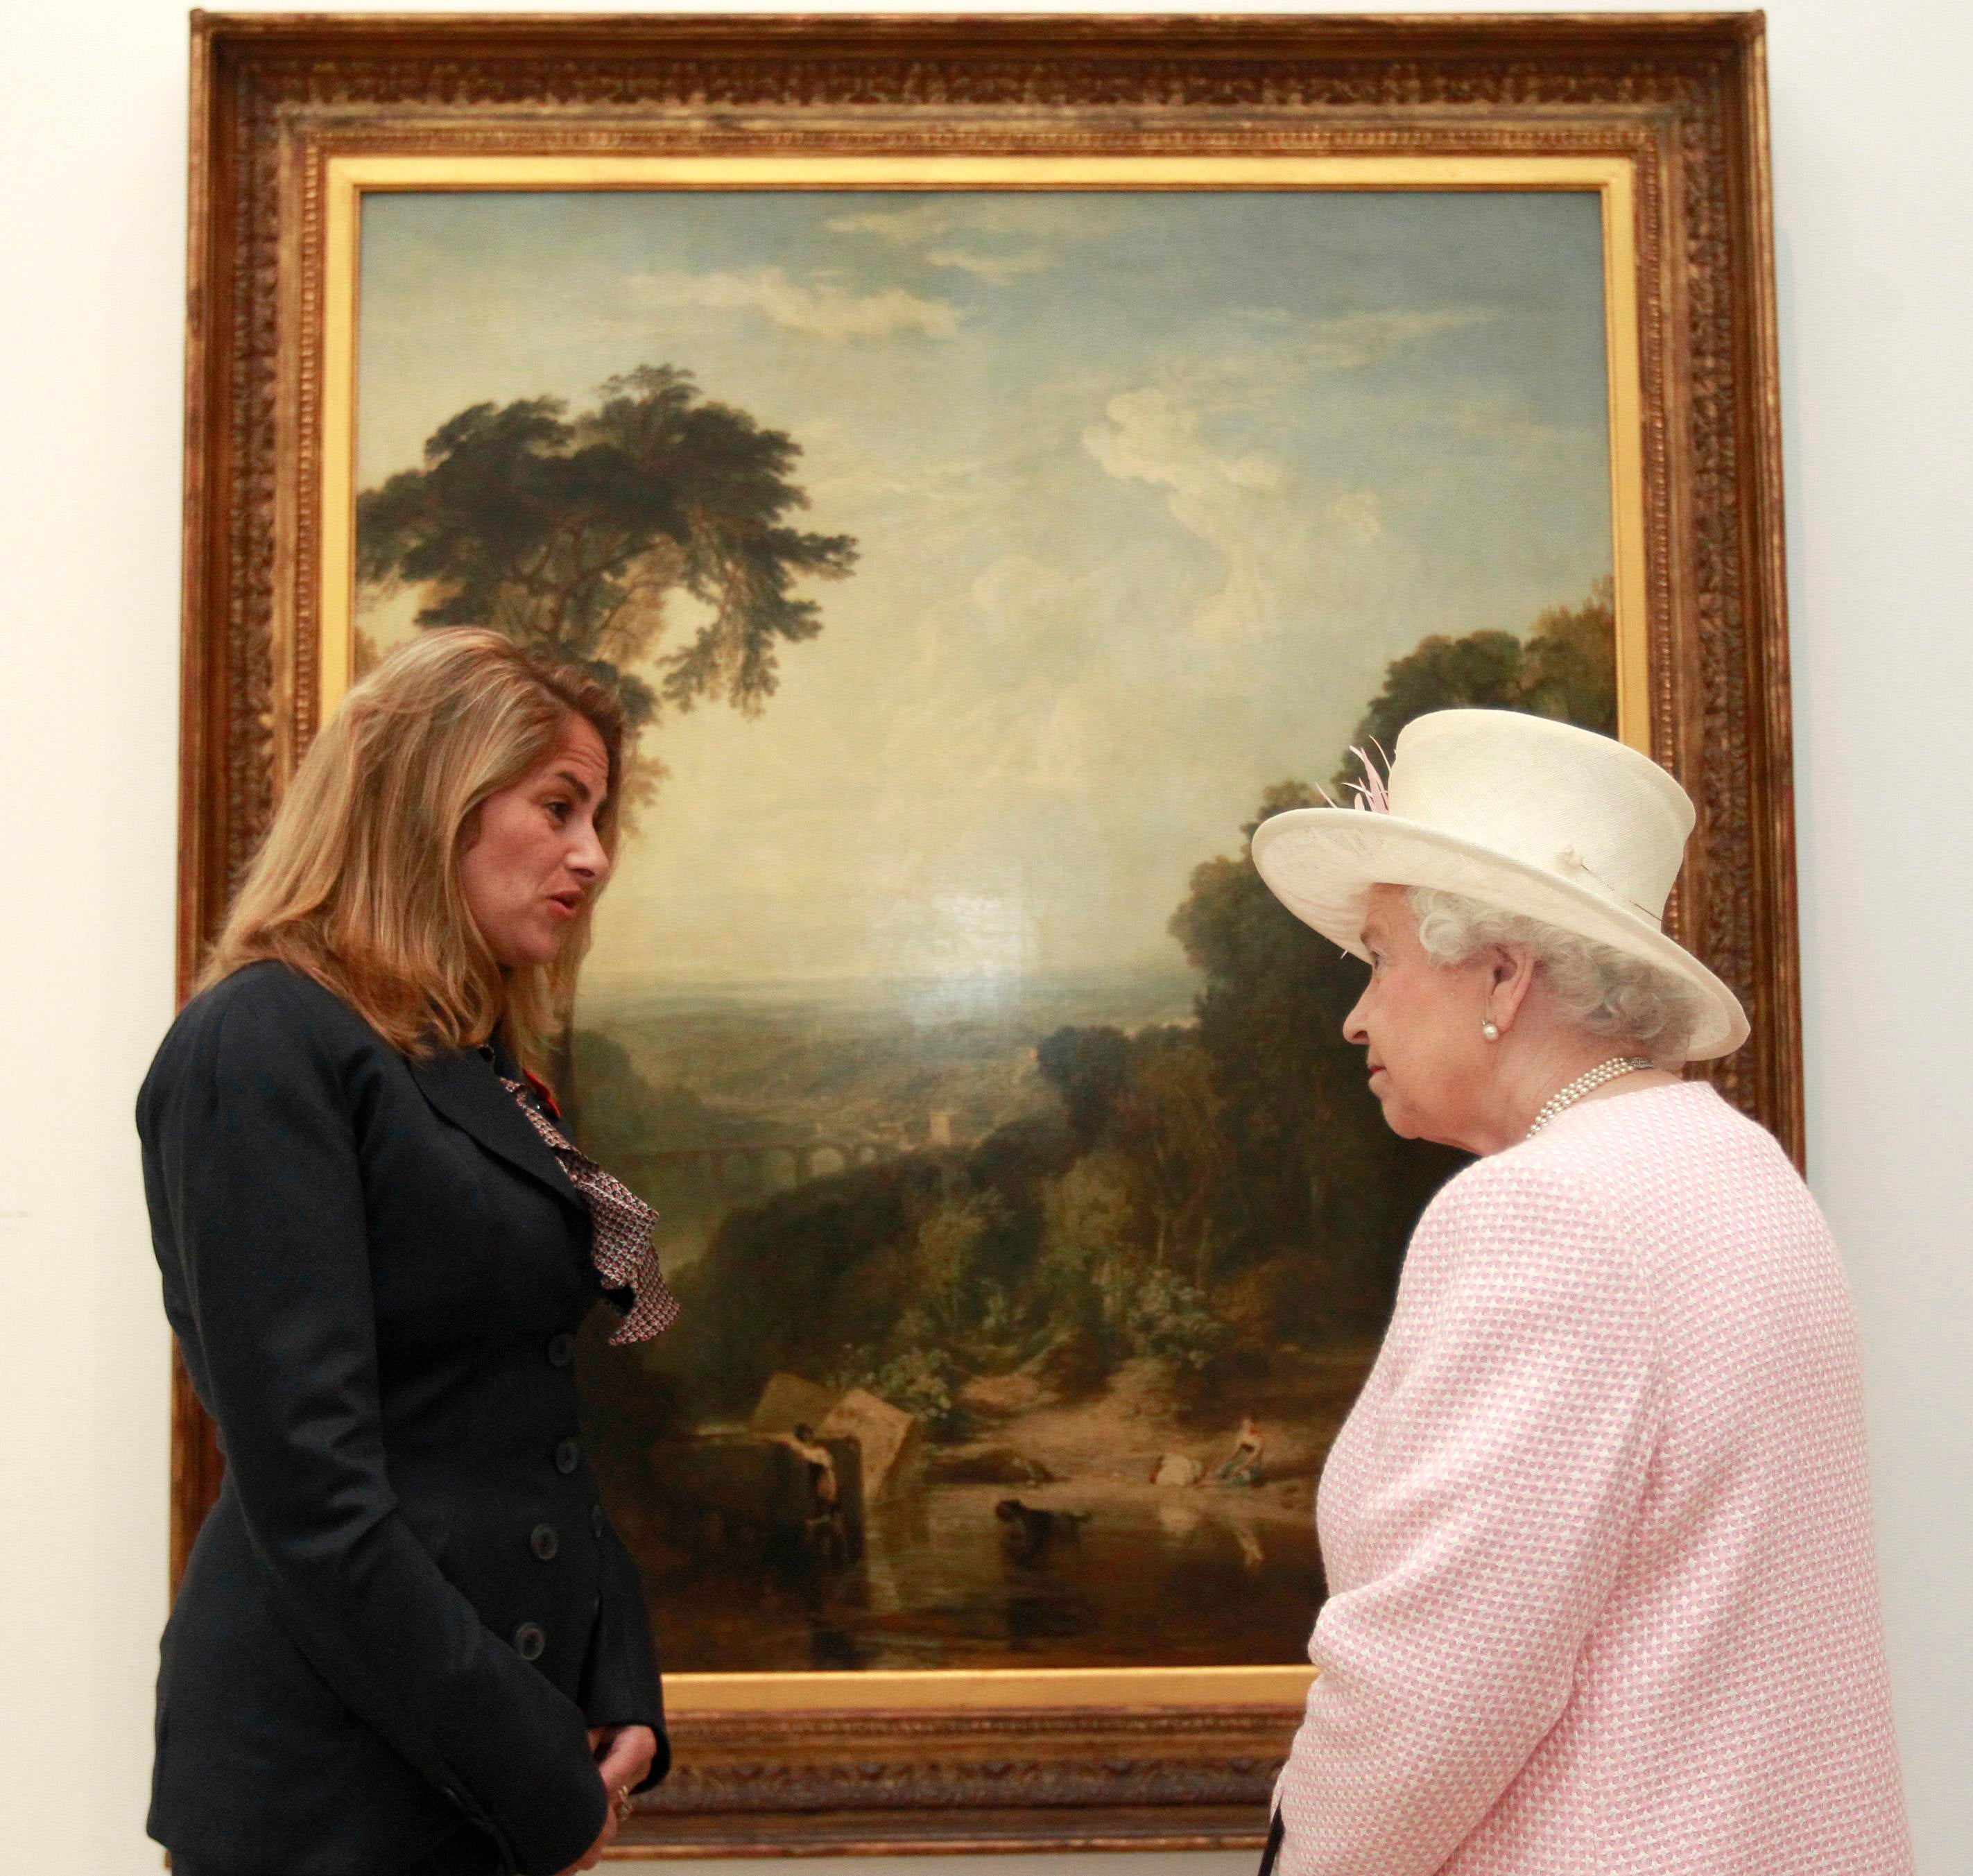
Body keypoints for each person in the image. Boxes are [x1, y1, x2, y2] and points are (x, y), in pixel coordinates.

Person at [1245, 709, 1911, 1876]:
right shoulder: (1733, 1166)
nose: (1356, 1012)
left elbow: (1433, 1687)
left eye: (1383, 955)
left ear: (1501, 971)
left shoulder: (1545, 1215)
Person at [137, 629, 680, 1876]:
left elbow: (522, 1413)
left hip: (484, 1762)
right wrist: (538, 1772)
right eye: (558, 806)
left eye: (598, 816)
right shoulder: (264, 1037)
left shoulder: (461, 1058)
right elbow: (315, 1496)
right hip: (332, 1787)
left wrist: (620, 1681)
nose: (591, 856)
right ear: (435, 790)